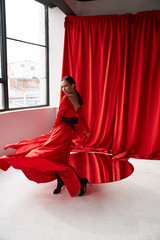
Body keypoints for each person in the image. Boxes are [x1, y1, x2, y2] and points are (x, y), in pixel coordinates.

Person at [0, 76, 91, 197]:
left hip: (67, 132)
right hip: (61, 131)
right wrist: (54, 132)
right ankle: (70, 181)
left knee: (59, 159)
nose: (64, 89)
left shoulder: (75, 98)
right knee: (49, 156)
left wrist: (86, 130)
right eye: (62, 86)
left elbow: (78, 116)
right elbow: (60, 118)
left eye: (66, 85)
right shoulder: (67, 98)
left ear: (73, 85)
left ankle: (75, 181)